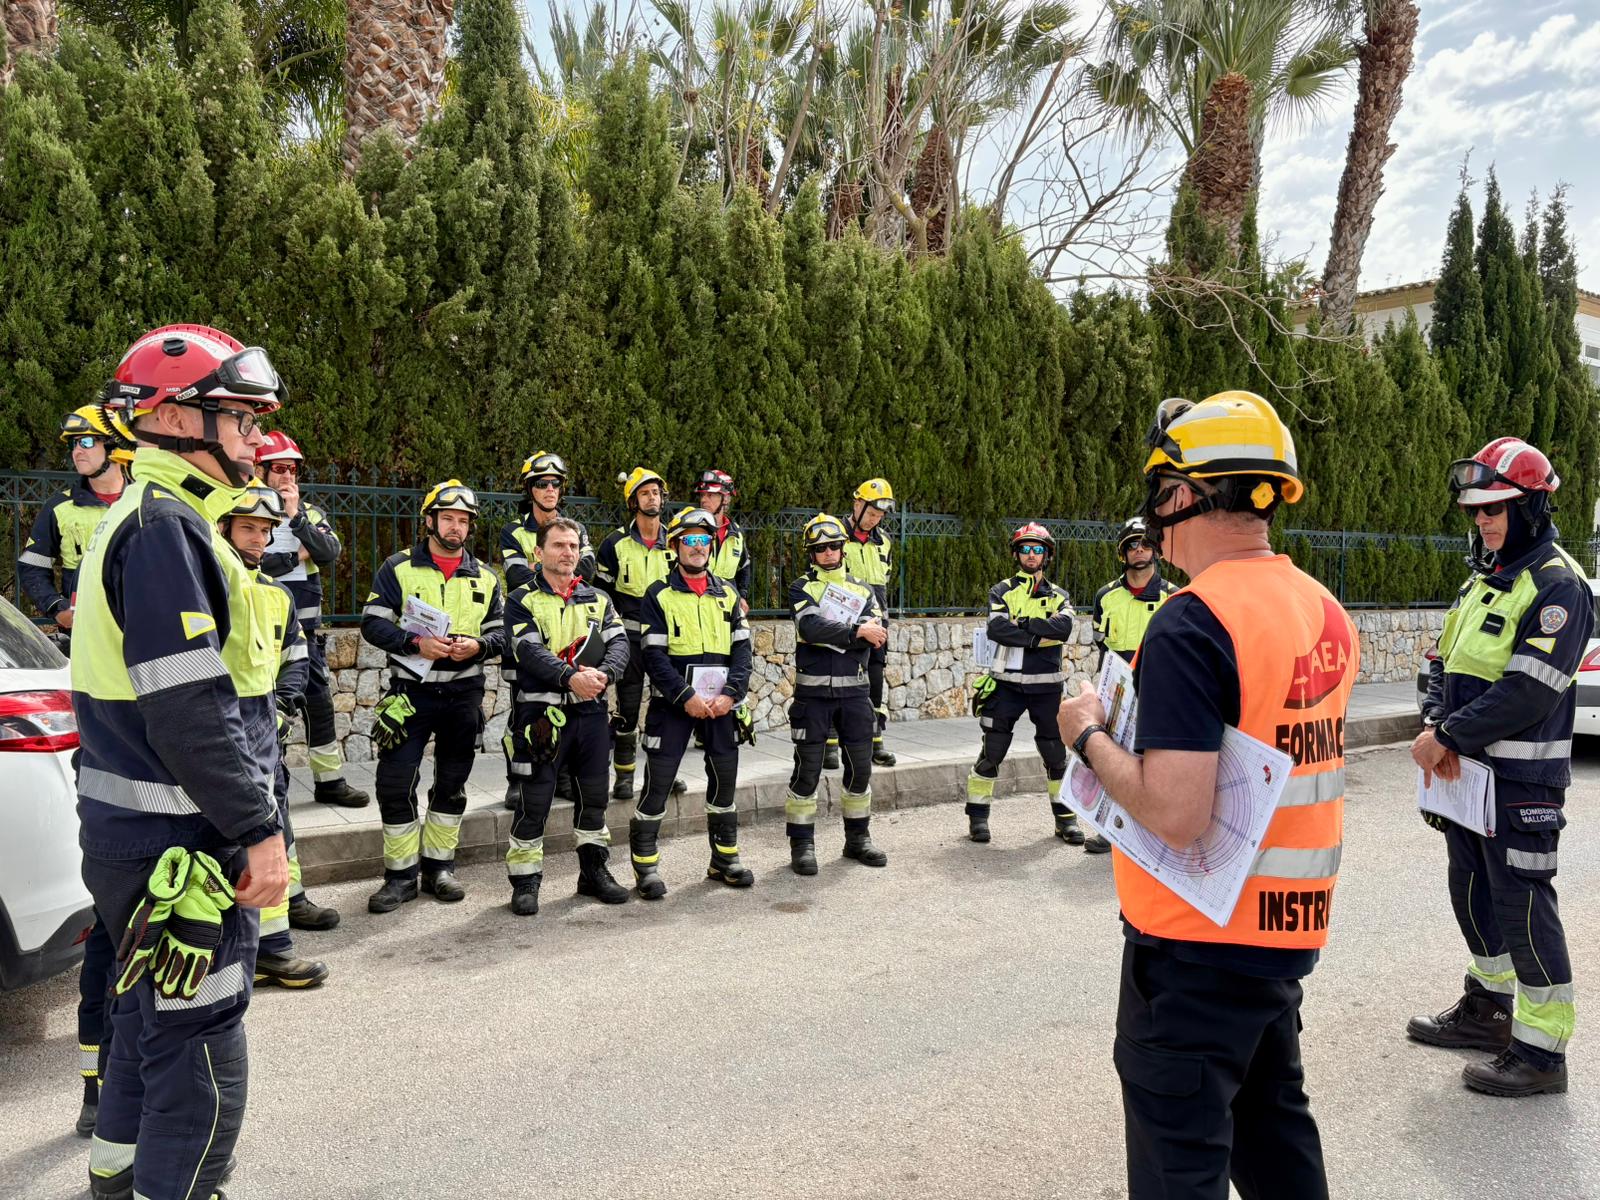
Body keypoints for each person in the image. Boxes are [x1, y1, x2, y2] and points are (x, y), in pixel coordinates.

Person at [1057, 390, 1358, 1200]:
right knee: (1274, 1139)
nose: (1155, 515)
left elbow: (1177, 814)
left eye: (1161, 491)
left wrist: (1087, 735)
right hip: (1282, 936)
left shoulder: (1192, 622)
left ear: (1187, 494)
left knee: (1179, 1168)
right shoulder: (1326, 611)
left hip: (1193, 947)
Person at [74, 323, 293, 1200]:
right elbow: (189, 709)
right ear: (170, 417)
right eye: (238, 417)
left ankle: (115, 1175)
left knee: (146, 1017)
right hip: (181, 844)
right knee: (202, 1053)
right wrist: (259, 829)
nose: (254, 438)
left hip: (140, 836)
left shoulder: (157, 518)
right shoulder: (166, 529)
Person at [1406, 437, 1587, 1097]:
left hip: (1520, 785)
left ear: (1531, 508)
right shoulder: (1484, 578)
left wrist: (1447, 734)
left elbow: (1529, 690)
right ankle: (1489, 1012)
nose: (1482, 520)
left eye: (1496, 508)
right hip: (1465, 781)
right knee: (1473, 894)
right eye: (1476, 510)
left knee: (1522, 906)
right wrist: (1436, 722)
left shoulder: (1559, 585)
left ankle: (1542, 1055)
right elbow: (1441, 660)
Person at [361, 481, 504, 914]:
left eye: (463, 521)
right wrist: (413, 643)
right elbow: (372, 623)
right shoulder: (397, 567)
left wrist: (478, 646)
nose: (455, 527)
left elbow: (502, 633)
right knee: (394, 783)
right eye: (447, 518)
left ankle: (440, 868)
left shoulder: (486, 577)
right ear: (430, 520)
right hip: (411, 692)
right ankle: (400, 876)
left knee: (452, 784)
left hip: (463, 693)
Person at [216, 481, 332, 989]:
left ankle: (274, 949)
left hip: (264, 724)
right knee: (229, 840)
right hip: (220, 727)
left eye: (265, 530)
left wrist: (280, 709)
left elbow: (295, 658)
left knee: (274, 833)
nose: (258, 539)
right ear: (223, 529)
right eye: (248, 528)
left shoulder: (277, 593)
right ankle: (226, 954)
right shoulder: (212, 588)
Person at [501, 517, 631, 914]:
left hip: (591, 713)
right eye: (558, 545)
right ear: (539, 552)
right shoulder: (520, 599)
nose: (567, 553)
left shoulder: (598, 598)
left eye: (573, 546)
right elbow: (529, 651)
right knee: (535, 799)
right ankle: (525, 881)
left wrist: (604, 675)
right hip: (540, 714)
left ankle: (593, 872)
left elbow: (620, 644)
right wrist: (571, 677)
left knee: (594, 798)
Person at [632, 508, 756, 898]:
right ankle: (646, 868)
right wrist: (684, 696)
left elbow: (743, 652)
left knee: (725, 780)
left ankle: (724, 860)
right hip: (674, 705)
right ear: (675, 546)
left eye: (704, 540)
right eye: (690, 540)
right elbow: (653, 657)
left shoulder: (729, 594)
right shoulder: (658, 594)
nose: (698, 547)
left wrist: (731, 694)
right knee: (658, 784)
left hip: (721, 706)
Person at [254, 431, 370, 813]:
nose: (288, 476)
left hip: (306, 633)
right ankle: (271, 785)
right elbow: (253, 561)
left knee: (319, 704)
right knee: (271, 707)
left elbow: (328, 551)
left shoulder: (308, 514)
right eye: (279, 468)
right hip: (262, 635)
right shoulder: (247, 509)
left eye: (293, 469)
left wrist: (296, 517)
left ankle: (330, 782)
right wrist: (293, 557)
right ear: (259, 468)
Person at [783, 514, 890, 875]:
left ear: (843, 548)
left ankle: (857, 840)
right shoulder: (801, 588)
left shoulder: (864, 589)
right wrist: (856, 631)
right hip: (812, 697)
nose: (828, 553)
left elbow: (878, 635)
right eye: (820, 549)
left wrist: (849, 633)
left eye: (833, 546)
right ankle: (802, 845)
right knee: (807, 773)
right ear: (810, 554)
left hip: (855, 695)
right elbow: (810, 627)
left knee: (860, 770)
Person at [964, 523, 1080, 846]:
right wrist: (1039, 637)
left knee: (1055, 755)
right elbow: (998, 630)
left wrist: (1023, 625)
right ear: (1016, 554)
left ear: (1046, 555)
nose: (1031, 555)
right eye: (1025, 549)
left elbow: (1064, 629)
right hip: (1007, 687)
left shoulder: (1060, 595)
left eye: (1037, 549)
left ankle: (1066, 821)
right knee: (993, 751)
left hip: (1047, 688)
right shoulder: (1001, 591)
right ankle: (977, 818)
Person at [498, 450, 593, 809]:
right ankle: (518, 778)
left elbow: (588, 571)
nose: (550, 489)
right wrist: (559, 571)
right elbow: (515, 576)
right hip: (527, 628)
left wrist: (545, 568)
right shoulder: (513, 531)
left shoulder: (576, 529)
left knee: (566, 706)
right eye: (541, 483)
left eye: (555, 483)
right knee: (523, 711)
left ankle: (563, 776)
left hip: (569, 628)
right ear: (530, 489)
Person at [1083, 516, 1179, 852]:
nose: (1139, 550)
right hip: (1117, 691)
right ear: (1122, 554)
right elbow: (1101, 643)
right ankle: (1110, 829)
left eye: (1146, 544)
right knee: (1114, 759)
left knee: (1157, 762)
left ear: (1156, 551)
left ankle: (1154, 827)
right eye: (1132, 545)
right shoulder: (1105, 596)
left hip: (1160, 690)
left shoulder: (1175, 597)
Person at [594, 467, 681, 801]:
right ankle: (624, 776)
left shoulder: (675, 541)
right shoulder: (614, 544)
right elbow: (601, 595)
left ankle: (664, 775)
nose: (652, 498)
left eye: (656, 492)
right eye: (644, 493)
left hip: (666, 643)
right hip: (628, 642)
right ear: (633, 501)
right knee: (627, 710)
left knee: (667, 709)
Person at [19, 406, 134, 637]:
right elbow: (32, 566)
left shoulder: (145, 503)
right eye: (73, 444)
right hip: (85, 635)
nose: (77, 451)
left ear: (114, 445)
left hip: (139, 628)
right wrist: (57, 607)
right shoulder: (59, 507)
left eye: (86, 442)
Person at [839, 478, 897, 768]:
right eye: (871, 513)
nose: (875, 519)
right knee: (839, 679)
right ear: (857, 504)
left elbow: (884, 582)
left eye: (879, 515)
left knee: (875, 681)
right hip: (846, 623)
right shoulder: (836, 534)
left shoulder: (884, 541)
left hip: (877, 624)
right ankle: (830, 743)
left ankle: (875, 740)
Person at [690, 469, 753, 609]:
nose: (703, 500)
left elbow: (744, 566)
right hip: (698, 605)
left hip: (728, 606)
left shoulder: (736, 534)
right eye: (702, 495)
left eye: (710, 495)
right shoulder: (692, 530)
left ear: (725, 498)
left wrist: (742, 596)